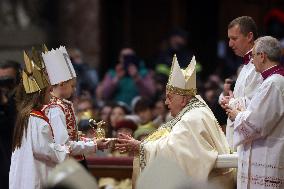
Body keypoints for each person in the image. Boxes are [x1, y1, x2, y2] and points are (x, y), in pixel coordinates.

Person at [116, 55, 234, 189]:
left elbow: (176, 150)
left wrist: (141, 147)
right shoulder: (192, 112)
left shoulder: (193, 118)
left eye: (169, 98)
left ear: (183, 99)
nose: (166, 102)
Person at [226, 36, 284, 189]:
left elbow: (257, 123)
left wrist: (236, 115)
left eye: (254, 56)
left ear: (262, 56)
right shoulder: (272, 81)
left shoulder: (274, 83)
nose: (251, 60)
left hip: (268, 156)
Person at [9, 48, 69, 189]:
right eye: (49, 91)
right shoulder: (37, 119)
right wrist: (65, 148)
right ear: (41, 93)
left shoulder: (25, 115)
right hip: (35, 178)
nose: (52, 93)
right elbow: (47, 150)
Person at [41, 46, 109, 168]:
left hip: (74, 160)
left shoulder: (63, 104)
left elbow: (73, 137)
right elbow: (64, 145)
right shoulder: (55, 108)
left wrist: (92, 142)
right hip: (66, 164)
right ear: (62, 84)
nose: (75, 89)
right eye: (72, 86)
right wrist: (93, 145)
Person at [219, 16, 263, 151]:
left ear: (249, 36)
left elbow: (258, 106)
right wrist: (228, 98)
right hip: (240, 137)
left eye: (234, 38)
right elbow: (242, 98)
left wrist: (231, 103)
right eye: (229, 39)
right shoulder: (245, 66)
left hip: (254, 143)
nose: (230, 44)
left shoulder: (260, 65)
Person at [0, 60, 21, 189]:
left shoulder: (22, 100)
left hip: (14, 159)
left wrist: (6, 104)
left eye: (8, 79)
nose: (3, 84)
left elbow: (14, 125)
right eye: (1, 79)